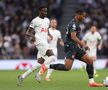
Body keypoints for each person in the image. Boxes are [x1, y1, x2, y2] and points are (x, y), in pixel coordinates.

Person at [39, 10, 103, 87]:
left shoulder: (76, 23)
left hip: (75, 46)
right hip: (70, 46)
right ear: (77, 15)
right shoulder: (73, 24)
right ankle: (46, 66)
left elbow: (74, 37)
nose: (84, 17)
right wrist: (83, 44)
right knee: (67, 67)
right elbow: (73, 36)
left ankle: (91, 82)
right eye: (83, 16)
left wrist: (78, 45)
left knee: (90, 60)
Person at [17, 5, 57, 86]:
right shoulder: (35, 20)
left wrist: (49, 35)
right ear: (39, 11)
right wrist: (33, 37)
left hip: (44, 42)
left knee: (39, 63)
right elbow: (27, 32)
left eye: (46, 11)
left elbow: (46, 30)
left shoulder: (47, 20)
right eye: (43, 11)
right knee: (52, 57)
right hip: (39, 42)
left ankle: (22, 77)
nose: (45, 13)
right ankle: (40, 73)